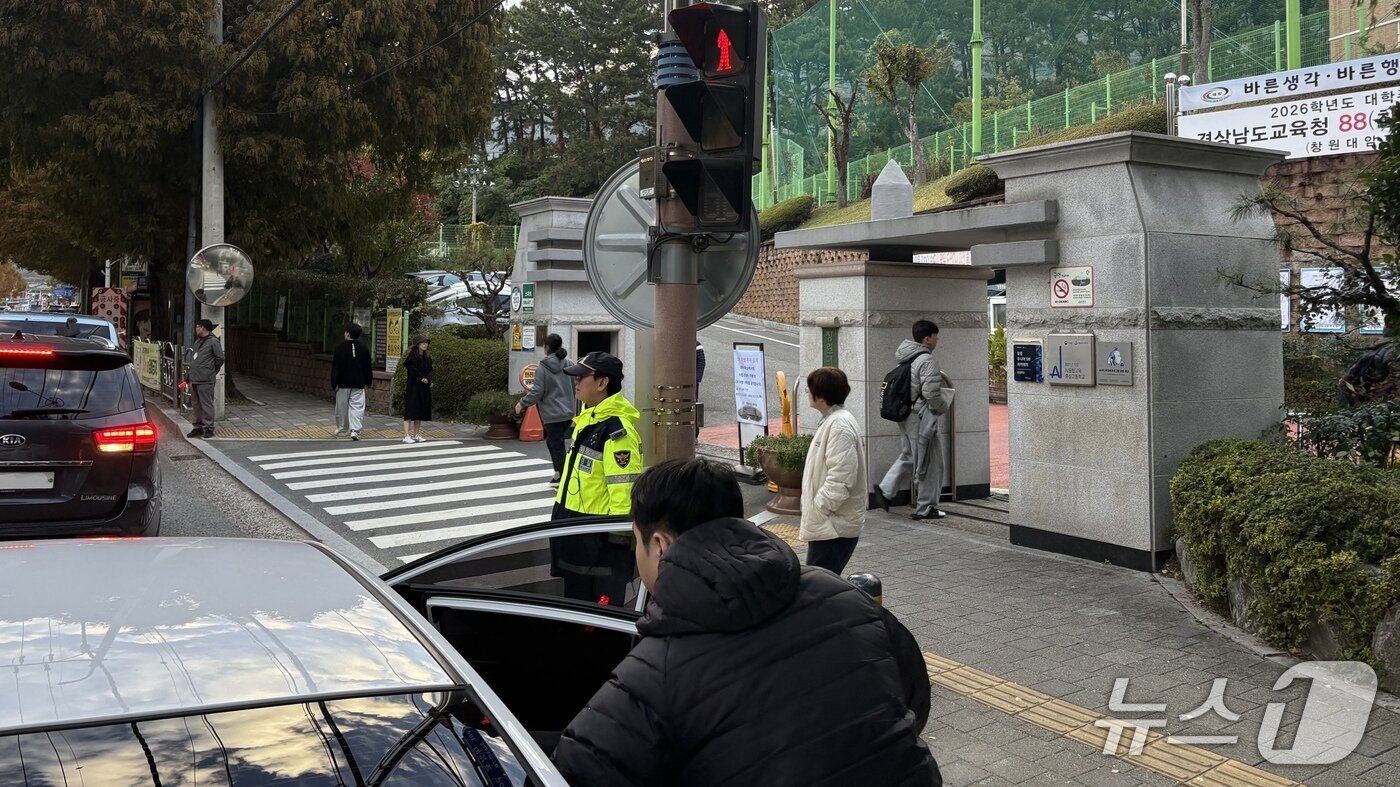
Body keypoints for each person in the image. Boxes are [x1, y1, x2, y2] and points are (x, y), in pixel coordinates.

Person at [553, 458, 940, 787]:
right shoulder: (841, 593)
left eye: (636, 541)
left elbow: (574, 770)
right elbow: (913, 698)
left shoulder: (657, 669)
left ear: (660, 546)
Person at [551, 351, 643, 603]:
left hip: (598, 540)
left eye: (582, 377)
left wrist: (617, 547)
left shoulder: (617, 432)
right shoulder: (588, 420)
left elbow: (624, 493)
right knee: (576, 604)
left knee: (597, 616)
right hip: (576, 530)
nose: (576, 382)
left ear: (602, 383)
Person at [874, 319, 948, 520]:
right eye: (935, 336)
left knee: (909, 455)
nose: (937, 339)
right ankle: (926, 508)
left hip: (906, 415)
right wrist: (943, 407)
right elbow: (931, 393)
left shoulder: (907, 355)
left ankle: (886, 490)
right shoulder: (927, 360)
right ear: (927, 338)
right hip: (921, 417)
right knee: (929, 461)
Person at [800, 367, 869, 575]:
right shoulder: (834, 421)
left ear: (821, 395)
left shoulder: (839, 426)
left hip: (834, 526)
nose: (806, 392)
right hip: (829, 525)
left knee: (818, 588)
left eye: (809, 388)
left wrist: (820, 507)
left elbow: (841, 478)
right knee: (821, 584)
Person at [514, 333, 576, 487]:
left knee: (557, 445)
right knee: (553, 443)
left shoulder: (543, 367)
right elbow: (576, 385)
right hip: (568, 413)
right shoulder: (569, 363)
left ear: (547, 348)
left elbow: (537, 392)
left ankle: (562, 478)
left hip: (552, 414)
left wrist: (522, 403)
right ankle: (559, 473)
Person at [330, 323, 373, 441]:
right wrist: (368, 381)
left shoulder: (340, 348)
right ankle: (355, 430)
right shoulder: (364, 349)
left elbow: (335, 367)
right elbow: (367, 367)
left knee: (342, 407)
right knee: (357, 407)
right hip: (359, 383)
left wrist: (334, 382)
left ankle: (342, 429)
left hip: (343, 383)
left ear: (348, 333)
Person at [184, 319, 224, 438]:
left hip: (206, 379)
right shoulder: (198, 342)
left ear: (203, 328)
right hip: (194, 378)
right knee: (196, 404)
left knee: (206, 404)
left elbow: (220, 359)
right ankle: (198, 427)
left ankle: (209, 428)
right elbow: (195, 359)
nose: (196, 329)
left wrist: (211, 371)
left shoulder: (213, 341)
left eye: (198, 327)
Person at [402, 336, 433, 443]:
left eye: (426, 342)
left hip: (424, 387)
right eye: (423, 342)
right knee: (410, 410)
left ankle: (416, 434)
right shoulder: (412, 357)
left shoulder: (427, 357)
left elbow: (431, 370)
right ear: (417, 344)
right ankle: (406, 435)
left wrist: (428, 378)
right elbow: (413, 370)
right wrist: (421, 378)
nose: (425, 344)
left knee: (419, 410)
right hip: (413, 386)